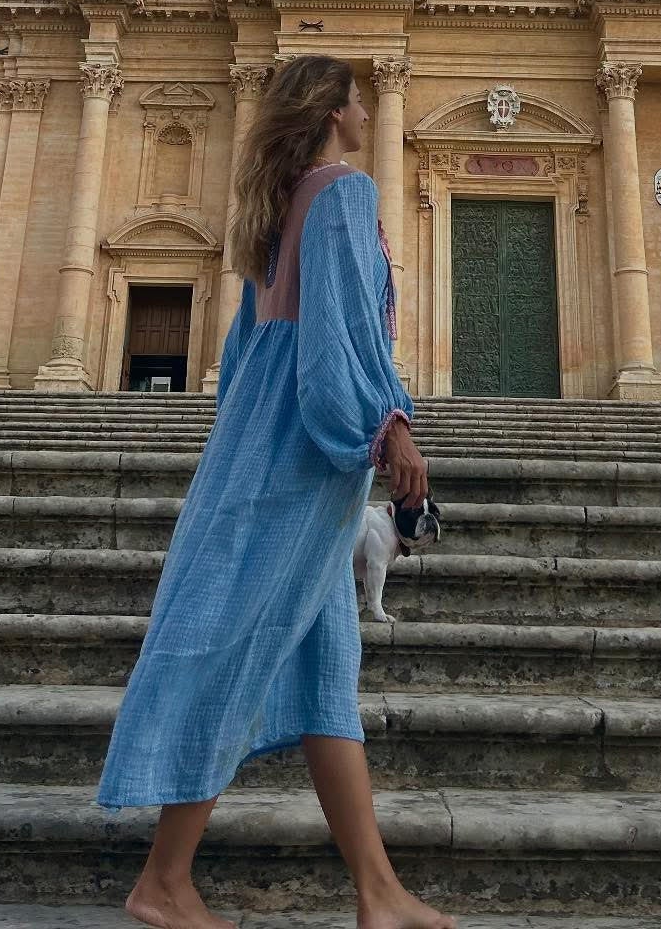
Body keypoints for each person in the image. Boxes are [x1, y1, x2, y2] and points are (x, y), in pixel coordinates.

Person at [98, 54, 453, 929]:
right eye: (358, 100)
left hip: (261, 441)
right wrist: (386, 424)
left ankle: (379, 893)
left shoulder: (275, 209)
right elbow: (344, 332)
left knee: (325, 668)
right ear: (332, 112)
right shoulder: (342, 192)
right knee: (235, 643)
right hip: (305, 454)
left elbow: (251, 353)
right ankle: (163, 882)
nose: (368, 112)